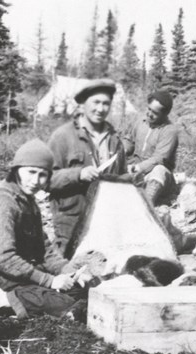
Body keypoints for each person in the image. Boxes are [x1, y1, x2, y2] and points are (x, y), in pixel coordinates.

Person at [0, 139, 92, 321]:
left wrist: (66, 270)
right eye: (31, 172)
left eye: (42, 175)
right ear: (16, 169)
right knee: (62, 304)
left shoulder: (29, 203)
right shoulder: (2, 202)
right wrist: (50, 281)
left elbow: (45, 251)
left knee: (80, 291)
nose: (35, 181)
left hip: (20, 269)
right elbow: (5, 259)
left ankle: (20, 296)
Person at [48, 79, 126, 254]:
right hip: (71, 220)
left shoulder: (115, 139)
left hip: (106, 219)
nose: (101, 109)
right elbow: (46, 179)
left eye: (106, 103)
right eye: (96, 102)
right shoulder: (62, 137)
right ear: (82, 105)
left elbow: (122, 177)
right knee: (67, 269)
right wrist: (78, 174)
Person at [123, 90, 180, 205]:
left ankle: (146, 206)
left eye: (155, 113)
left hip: (154, 176)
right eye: (149, 109)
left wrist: (137, 168)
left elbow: (159, 159)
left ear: (165, 114)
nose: (149, 114)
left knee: (159, 170)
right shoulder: (140, 121)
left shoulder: (169, 131)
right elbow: (129, 140)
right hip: (135, 170)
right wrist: (123, 150)